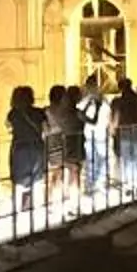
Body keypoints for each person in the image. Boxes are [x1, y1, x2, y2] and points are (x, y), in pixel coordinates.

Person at [7, 85, 49, 218]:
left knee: (19, 182)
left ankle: (16, 213)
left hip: (20, 149)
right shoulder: (38, 112)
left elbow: (8, 128)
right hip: (37, 148)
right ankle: (38, 213)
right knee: (37, 180)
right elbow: (46, 129)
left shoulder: (12, 113)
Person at [50, 81, 86, 212]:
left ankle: (55, 204)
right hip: (75, 141)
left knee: (57, 173)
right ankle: (74, 204)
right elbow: (90, 120)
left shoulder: (56, 112)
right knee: (74, 173)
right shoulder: (77, 112)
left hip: (59, 143)